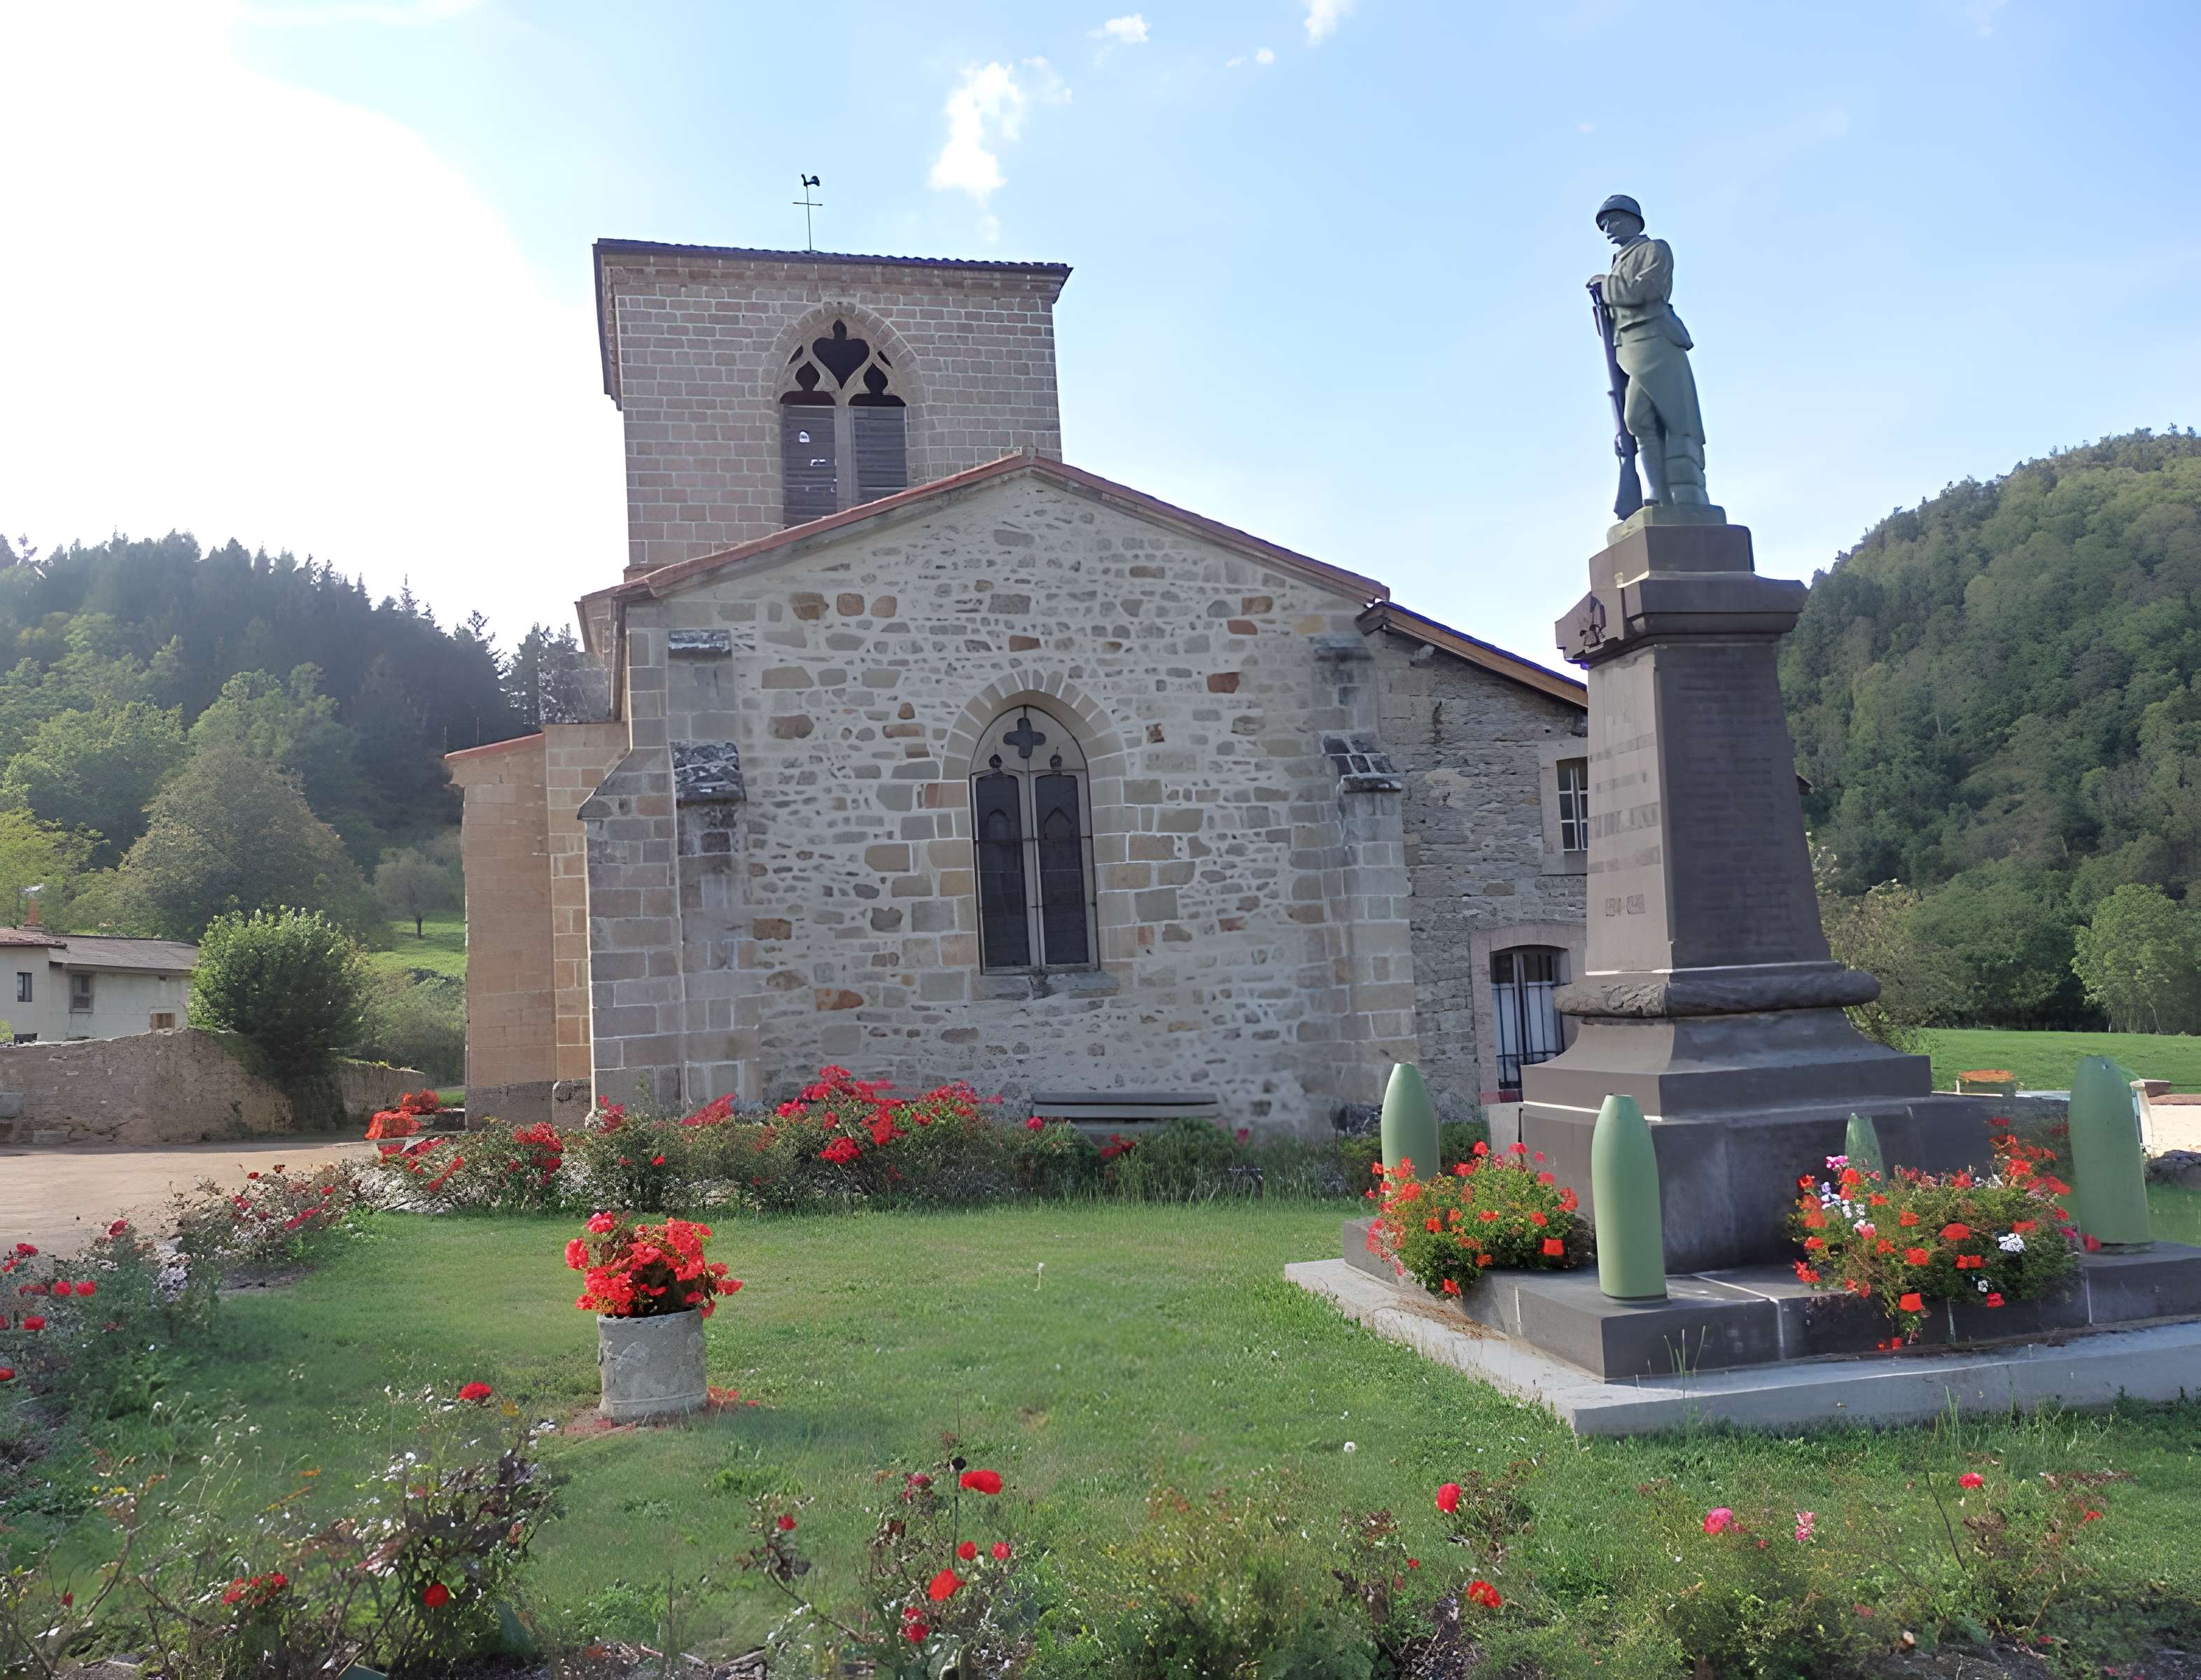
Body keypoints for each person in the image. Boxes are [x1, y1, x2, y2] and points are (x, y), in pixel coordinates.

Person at [1591, 195, 1708, 506]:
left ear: (1633, 220)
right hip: (1628, 348)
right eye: (1603, 226)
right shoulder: (1618, 263)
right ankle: (1658, 492)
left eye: (1612, 220)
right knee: (1638, 420)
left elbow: (1645, 290)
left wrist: (1606, 286)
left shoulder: (1653, 249)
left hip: (1655, 343)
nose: (1608, 229)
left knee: (1673, 420)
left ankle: (1684, 493)